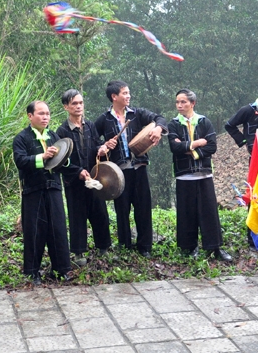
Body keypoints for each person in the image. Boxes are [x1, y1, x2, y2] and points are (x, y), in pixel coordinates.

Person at [95, 80, 168, 258]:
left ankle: (145, 247)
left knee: (143, 207)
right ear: (114, 97)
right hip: (119, 173)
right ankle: (125, 245)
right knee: (122, 209)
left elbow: (160, 118)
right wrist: (103, 146)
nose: (128, 96)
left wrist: (158, 129)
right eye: (125, 93)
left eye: (129, 93)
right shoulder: (104, 119)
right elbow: (94, 141)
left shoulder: (137, 114)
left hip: (139, 167)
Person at [168, 89, 232, 262]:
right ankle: (189, 248)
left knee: (209, 212)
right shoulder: (173, 124)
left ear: (192, 103)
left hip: (204, 174)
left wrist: (190, 150)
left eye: (183, 102)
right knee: (186, 213)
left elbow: (211, 147)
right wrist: (196, 143)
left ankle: (215, 247)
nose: (179, 105)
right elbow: (175, 148)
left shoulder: (204, 122)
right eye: (177, 102)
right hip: (184, 175)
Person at [13, 101, 72, 284]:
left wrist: (63, 159)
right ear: (30, 116)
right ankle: (32, 272)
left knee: (58, 229)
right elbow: (21, 161)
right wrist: (42, 157)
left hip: (53, 188)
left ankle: (61, 270)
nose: (45, 117)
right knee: (34, 231)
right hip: (33, 190)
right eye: (41, 113)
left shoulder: (54, 136)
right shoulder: (21, 138)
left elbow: (64, 163)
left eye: (47, 113)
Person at [56, 89, 112, 266]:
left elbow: (95, 146)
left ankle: (104, 247)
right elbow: (60, 160)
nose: (78, 106)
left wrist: (102, 148)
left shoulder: (89, 125)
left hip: (94, 177)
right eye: (74, 104)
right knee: (77, 215)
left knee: (100, 212)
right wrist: (77, 171)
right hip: (74, 182)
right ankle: (79, 252)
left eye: (80, 103)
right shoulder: (62, 131)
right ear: (66, 107)